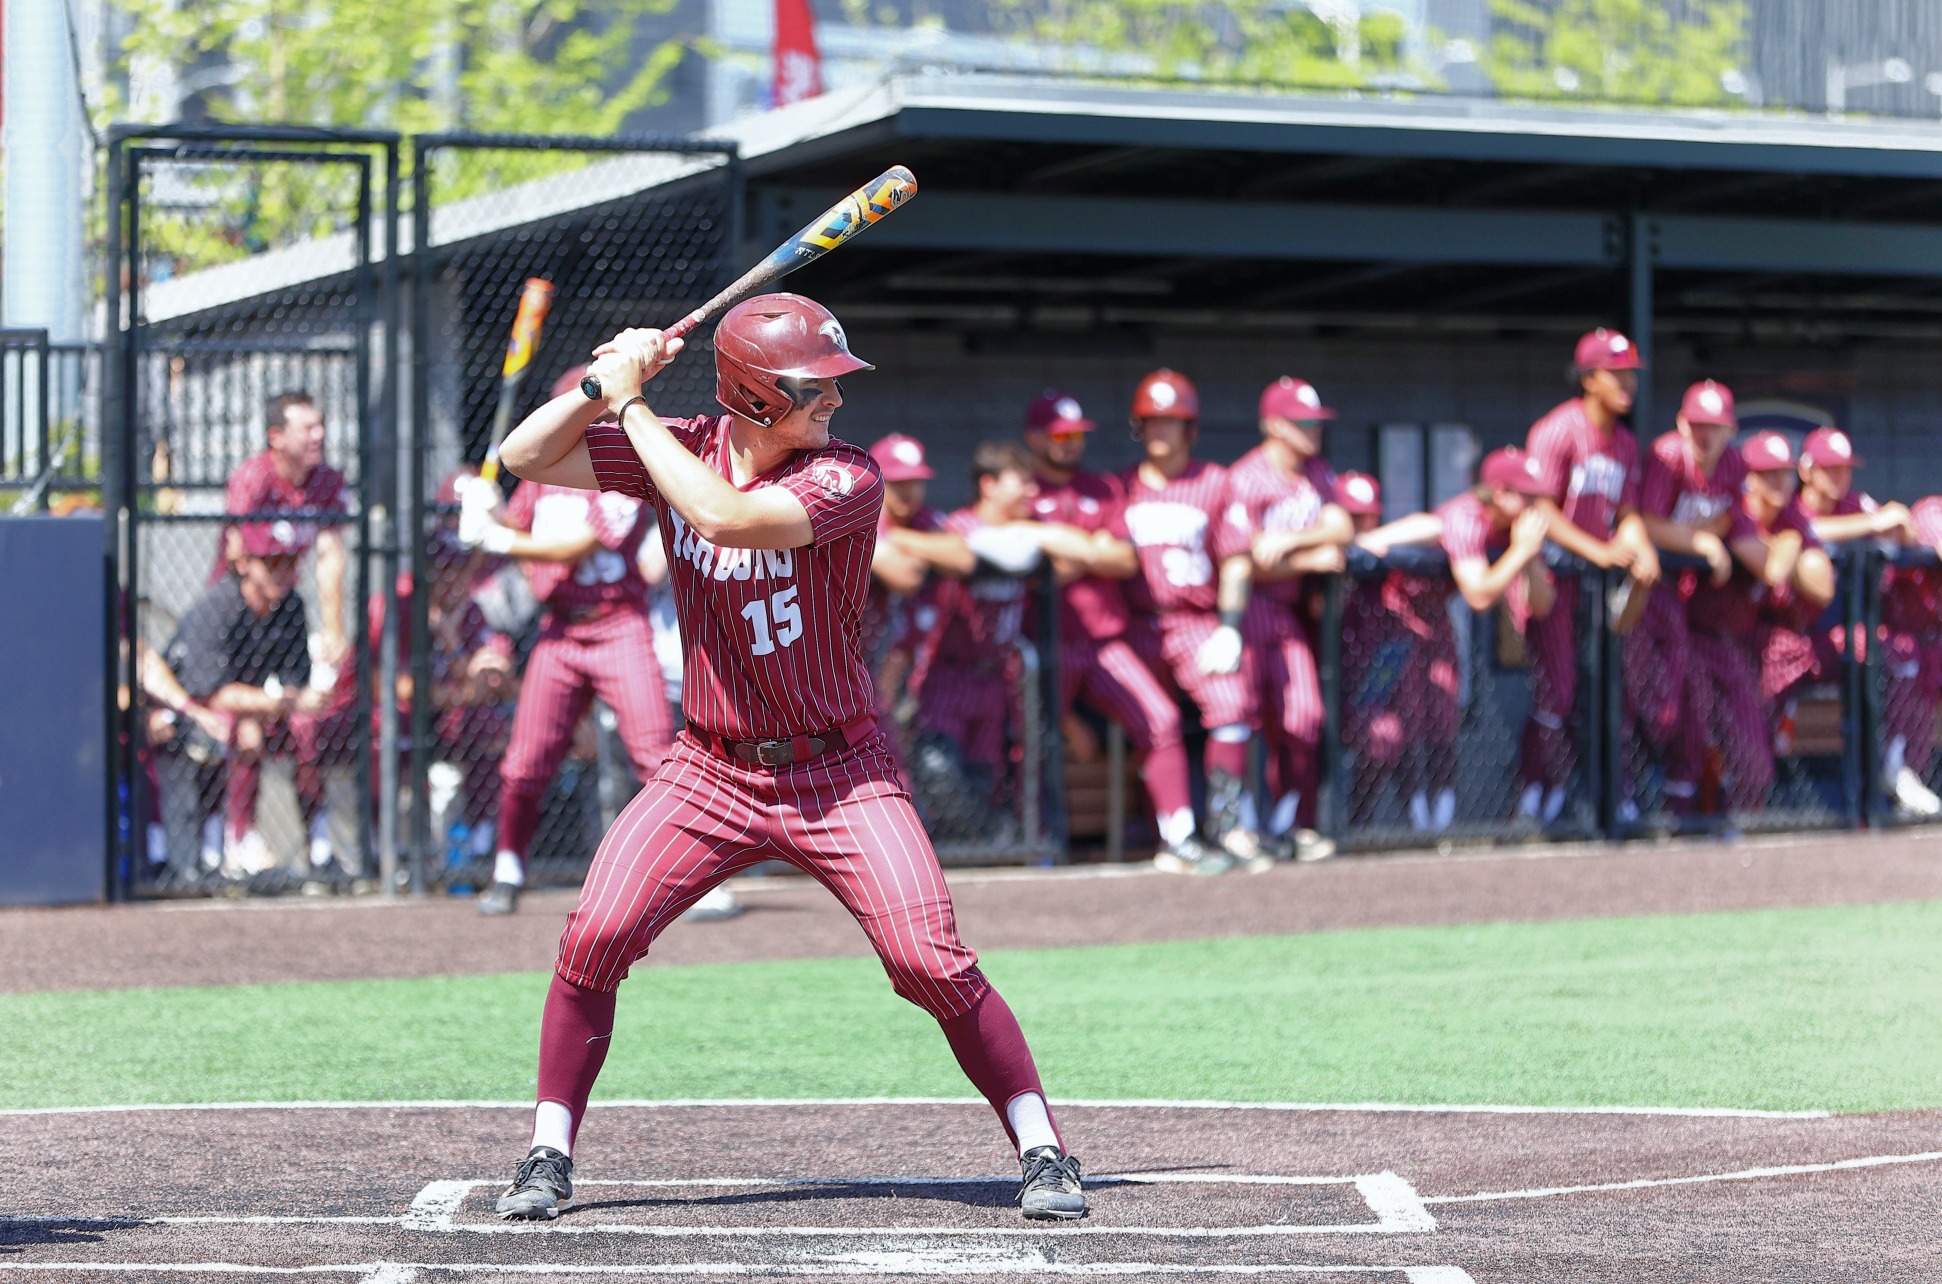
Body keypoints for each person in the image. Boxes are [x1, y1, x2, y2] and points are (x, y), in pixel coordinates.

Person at [487, 293, 1085, 1223]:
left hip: (839, 773)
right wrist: (604, 385)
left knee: (928, 961)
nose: (836, 401)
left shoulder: (847, 476)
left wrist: (632, 403)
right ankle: (547, 1152)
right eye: (815, 388)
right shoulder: (683, 444)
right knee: (594, 937)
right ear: (755, 395)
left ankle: (1043, 1147)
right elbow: (524, 457)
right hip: (709, 770)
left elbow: (722, 516)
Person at [456, 369, 675, 917]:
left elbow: (573, 547)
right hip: (559, 630)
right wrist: (487, 508)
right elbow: (521, 535)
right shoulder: (541, 475)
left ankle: (693, 878)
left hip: (618, 624)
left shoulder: (626, 471)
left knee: (655, 755)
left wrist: (498, 538)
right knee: (525, 763)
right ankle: (508, 869)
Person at [1020, 391, 1224, 870]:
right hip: (1045, 644)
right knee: (1029, 739)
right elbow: (1030, 570)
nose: (1071, 443)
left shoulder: (1104, 487)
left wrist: (1068, 553)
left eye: (1077, 435)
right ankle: (1030, 843)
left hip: (1103, 643)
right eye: (1060, 436)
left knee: (1161, 719)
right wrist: (1090, 550)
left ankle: (1179, 838)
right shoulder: (1022, 491)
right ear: (1035, 439)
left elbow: (1124, 560)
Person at [1351, 452, 1554, 831]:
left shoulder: (1520, 529)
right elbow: (1478, 595)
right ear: (1499, 493)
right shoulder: (1466, 517)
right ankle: (1394, 820)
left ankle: (1440, 818)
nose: (1535, 504)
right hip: (1393, 617)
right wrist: (1520, 552)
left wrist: (1527, 557)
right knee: (1405, 720)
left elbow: (1541, 605)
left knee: (1444, 716)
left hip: (1435, 616)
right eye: (1526, 495)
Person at [1119, 369, 1259, 874]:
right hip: (1136, 623)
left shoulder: (1215, 482)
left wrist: (1230, 624)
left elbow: (1237, 559)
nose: (1160, 431)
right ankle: (1173, 837)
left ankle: (1226, 825)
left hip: (1196, 619)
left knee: (1231, 707)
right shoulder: (1122, 486)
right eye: (1152, 421)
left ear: (1189, 428)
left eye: (1171, 421)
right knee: (1155, 722)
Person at [1520, 329, 1659, 827]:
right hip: (1551, 575)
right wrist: (1599, 551)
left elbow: (1628, 512)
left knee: (1609, 691)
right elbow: (1539, 508)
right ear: (1589, 378)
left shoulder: (1624, 443)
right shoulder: (1558, 429)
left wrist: (1640, 547)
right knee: (1557, 692)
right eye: (1616, 374)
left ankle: (1603, 798)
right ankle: (1535, 795)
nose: (1627, 384)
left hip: (1595, 584)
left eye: (1631, 375)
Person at [150, 520, 332, 881]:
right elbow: (210, 693)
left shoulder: (291, 606)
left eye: (290, 563)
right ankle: (229, 844)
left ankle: (321, 848)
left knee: (306, 727)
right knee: (237, 727)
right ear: (246, 563)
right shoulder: (219, 605)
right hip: (184, 714)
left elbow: (295, 685)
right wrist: (271, 705)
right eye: (272, 563)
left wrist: (277, 705)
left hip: (257, 711)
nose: (283, 573)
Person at [222, 390, 353, 867]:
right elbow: (237, 552)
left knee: (305, 722)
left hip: (287, 613)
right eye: (307, 427)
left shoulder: (326, 481)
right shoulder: (253, 478)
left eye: (321, 425)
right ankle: (238, 840)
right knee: (247, 722)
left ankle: (320, 845)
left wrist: (333, 628)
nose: (319, 435)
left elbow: (330, 557)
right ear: (276, 436)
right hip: (242, 613)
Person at [1226, 377, 1352, 862]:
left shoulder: (1315, 471)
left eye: (1316, 422)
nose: (1314, 430)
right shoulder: (1246, 477)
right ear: (1275, 425)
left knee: (1304, 717)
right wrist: (1310, 558)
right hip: (1245, 607)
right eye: (1303, 422)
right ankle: (1240, 827)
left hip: (1286, 612)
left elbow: (1340, 526)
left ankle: (1291, 824)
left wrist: (1293, 541)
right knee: (1242, 718)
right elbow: (1244, 558)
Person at [1790, 427, 1942, 817]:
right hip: (1791, 640)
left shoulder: (1855, 503)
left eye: (1844, 468)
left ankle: (1898, 768)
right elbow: (1804, 529)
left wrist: (1891, 522)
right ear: (1806, 470)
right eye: (1829, 468)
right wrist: (1870, 525)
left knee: (1904, 651)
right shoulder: (1792, 507)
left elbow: (1902, 525)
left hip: (1848, 639)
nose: (1839, 476)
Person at [1684, 432, 1835, 817]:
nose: (1780, 482)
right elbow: (1774, 570)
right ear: (1748, 478)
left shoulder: (1790, 516)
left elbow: (1823, 587)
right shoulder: (1734, 511)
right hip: (1691, 641)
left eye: (1785, 473)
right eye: (1769, 474)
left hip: (1737, 646)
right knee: (1683, 748)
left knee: (1754, 765)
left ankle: (1739, 814)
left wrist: (1789, 542)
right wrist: (1787, 544)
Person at [1632, 380, 1745, 817]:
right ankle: (1622, 794)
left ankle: (1671, 800)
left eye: (1715, 426)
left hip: (1688, 604)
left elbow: (1733, 518)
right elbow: (1648, 522)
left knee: (1681, 709)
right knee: (1643, 705)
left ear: (1731, 429)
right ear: (1682, 424)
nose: (1705, 434)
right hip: (1646, 592)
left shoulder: (1733, 464)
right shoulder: (1667, 455)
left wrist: (1702, 536)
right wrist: (1701, 541)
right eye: (1698, 424)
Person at [863, 432, 973, 740]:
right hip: (862, 663)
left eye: (915, 481)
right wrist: (923, 549)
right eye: (899, 482)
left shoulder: (923, 520)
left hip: (917, 664)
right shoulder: (864, 516)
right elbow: (907, 576)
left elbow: (962, 558)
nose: (908, 491)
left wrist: (900, 538)